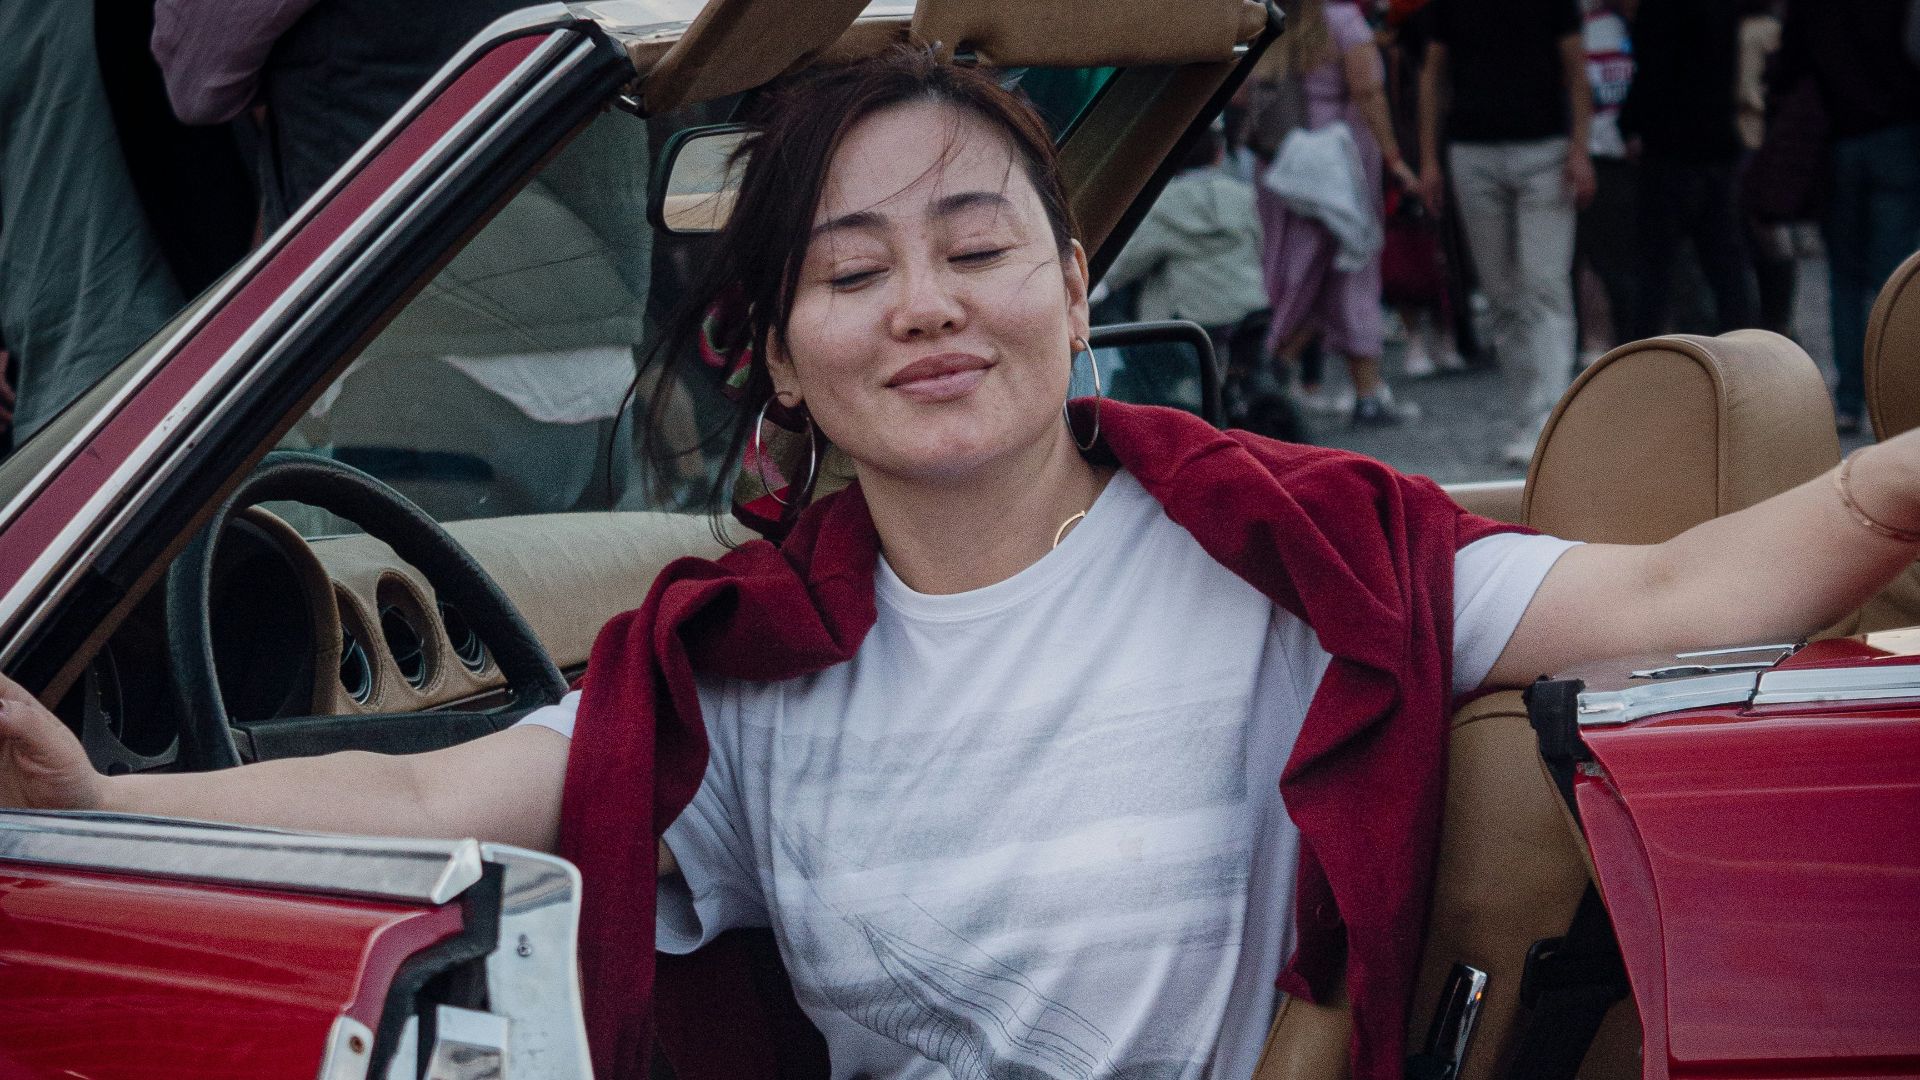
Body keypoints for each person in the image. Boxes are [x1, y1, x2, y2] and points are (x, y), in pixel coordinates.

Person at [7, 47, 1920, 1080]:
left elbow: (1678, 599)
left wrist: (1878, 494)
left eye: (981, 246)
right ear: (775, 349)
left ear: (1080, 289)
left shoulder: (1298, 556)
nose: (923, 306)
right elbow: (428, 788)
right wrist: (106, 803)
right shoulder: (735, 665)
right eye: (849, 271)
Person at [1416, 0, 1594, 466]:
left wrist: (1579, 147)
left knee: (1543, 285)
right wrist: (1430, 159)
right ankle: (1527, 415)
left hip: (1543, 147)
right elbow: (1432, 75)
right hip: (1475, 150)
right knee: (1501, 295)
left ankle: (1552, 417)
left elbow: (1576, 70)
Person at [1254, 0, 1423, 428]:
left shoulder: (1271, 16)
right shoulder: (1343, 21)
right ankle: (1360, 392)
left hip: (1283, 167)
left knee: (1294, 274)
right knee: (1350, 273)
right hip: (1340, 168)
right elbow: (1368, 91)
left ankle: (1267, 370)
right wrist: (1394, 159)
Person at [1772, 0, 1920, 434]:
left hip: (1837, 140)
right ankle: (1897, 397)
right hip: (1898, 135)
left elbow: (1789, 67)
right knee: (1894, 280)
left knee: (1845, 280)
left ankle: (1851, 399)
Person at [1618, 0, 1757, 339]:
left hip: (1670, 151)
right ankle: (1746, 358)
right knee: (1727, 271)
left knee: (1654, 274)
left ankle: (1643, 364)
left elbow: (1653, 73)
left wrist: (1631, 124)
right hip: (1717, 144)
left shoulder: (1659, 12)